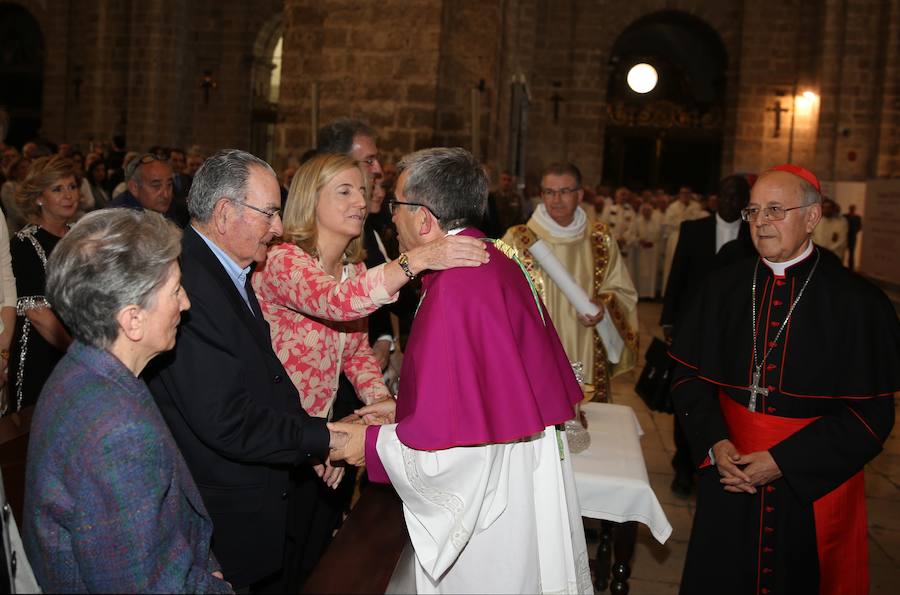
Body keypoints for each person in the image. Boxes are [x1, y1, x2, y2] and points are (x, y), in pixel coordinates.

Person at [329, 147, 592, 594]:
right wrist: (403, 406)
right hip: (517, 472)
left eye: (396, 204)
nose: (391, 218)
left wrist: (368, 445)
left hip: (493, 513)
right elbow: (476, 396)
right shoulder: (493, 257)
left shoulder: (456, 290)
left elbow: (457, 457)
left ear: (425, 219)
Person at [251, 154, 488, 586]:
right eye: (344, 191)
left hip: (326, 434)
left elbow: (356, 352)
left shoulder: (353, 270)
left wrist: (381, 405)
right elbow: (338, 302)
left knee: (317, 556)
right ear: (309, 198)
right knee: (274, 565)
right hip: (278, 434)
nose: (360, 200)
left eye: (362, 190)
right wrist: (420, 258)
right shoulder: (282, 260)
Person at [669, 164, 900, 595]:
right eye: (754, 211)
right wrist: (715, 442)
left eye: (776, 210)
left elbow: (872, 416)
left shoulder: (858, 304)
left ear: (812, 218)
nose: (761, 223)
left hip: (812, 481)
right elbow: (688, 379)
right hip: (728, 470)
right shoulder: (720, 288)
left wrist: (783, 461)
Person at [144, 149, 347, 591]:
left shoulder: (226, 268)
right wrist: (325, 437)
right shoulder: (190, 282)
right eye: (269, 212)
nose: (278, 228)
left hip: (256, 497)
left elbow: (269, 375)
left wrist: (309, 439)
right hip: (221, 516)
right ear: (223, 213)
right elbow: (225, 417)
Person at [23, 209, 231, 593]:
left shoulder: (86, 366)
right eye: (175, 291)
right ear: (132, 320)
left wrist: (206, 568)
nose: (185, 304)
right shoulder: (119, 434)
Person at [502, 162, 638, 400]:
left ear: (580, 194)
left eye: (565, 191)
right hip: (535, 349)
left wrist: (603, 305)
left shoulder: (600, 238)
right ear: (541, 195)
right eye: (549, 192)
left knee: (585, 428)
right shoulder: (518, 239)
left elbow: (622, 290)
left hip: (586, 341)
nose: (556, 200)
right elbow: (498, 294)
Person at [660, 174, 755, 498]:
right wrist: (669, 321)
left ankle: (717, 458)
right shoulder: (694, 229)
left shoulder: (753, 235)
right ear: (716, 197)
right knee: (687, 394)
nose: (731, 202)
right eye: (726, 195)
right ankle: (683, 466)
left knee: (719, 402)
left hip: (735, 335)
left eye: (738, 198)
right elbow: (678, 277)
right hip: (693, 329)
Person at [7, 156, 75, 415]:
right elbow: (36, 313)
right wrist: (77, 349)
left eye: (72, 186)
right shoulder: (24, 244)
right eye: (58, 189)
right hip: (40, 353)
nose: (68, 195)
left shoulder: (82, 236)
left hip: (78, 347)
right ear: (39, 198)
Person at [107, 153, 188, 226]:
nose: (166, 194)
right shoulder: (118, 221)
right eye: (156, 185)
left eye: (169, 185)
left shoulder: (170, 207)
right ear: (134, 187)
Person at [633, 202, 662, 298]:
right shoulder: (637, 222)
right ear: (641, 211)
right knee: (641, 273)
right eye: (645, 210)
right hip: (641, 251)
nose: (647, 212)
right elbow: (633, 235)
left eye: (649, 210)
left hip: (652, 251)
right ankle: (641, 295)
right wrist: (640, 241)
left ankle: (650, 295)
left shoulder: (656, 222)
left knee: (652, 274)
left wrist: (652, 242)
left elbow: (659, 236)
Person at [844, 203, 862, 270]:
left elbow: (860, 227)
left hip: (852, 237)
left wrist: (854, 231)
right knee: (842, 252)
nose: (852, 209)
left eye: (853, 208)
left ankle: (851, 268)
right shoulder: (845, 216)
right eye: (851, 208)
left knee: (851, 253)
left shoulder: (857, 217)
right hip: (845, 237)